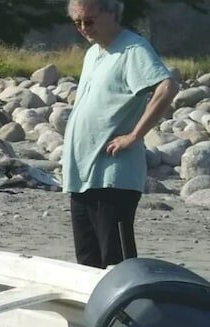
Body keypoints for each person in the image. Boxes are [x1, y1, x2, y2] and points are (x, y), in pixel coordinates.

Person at [62, 0, 179, 269]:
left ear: (112, 13)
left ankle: (130, 312)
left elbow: (167, 86)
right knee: (87, 263)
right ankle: (94, 312)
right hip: (83, 175)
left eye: (89, 21)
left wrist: (135, 135)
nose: (83, 28)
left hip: (114, 176)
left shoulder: (133, 49)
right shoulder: (93, 52)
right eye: (77, 22)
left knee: (117, 263)